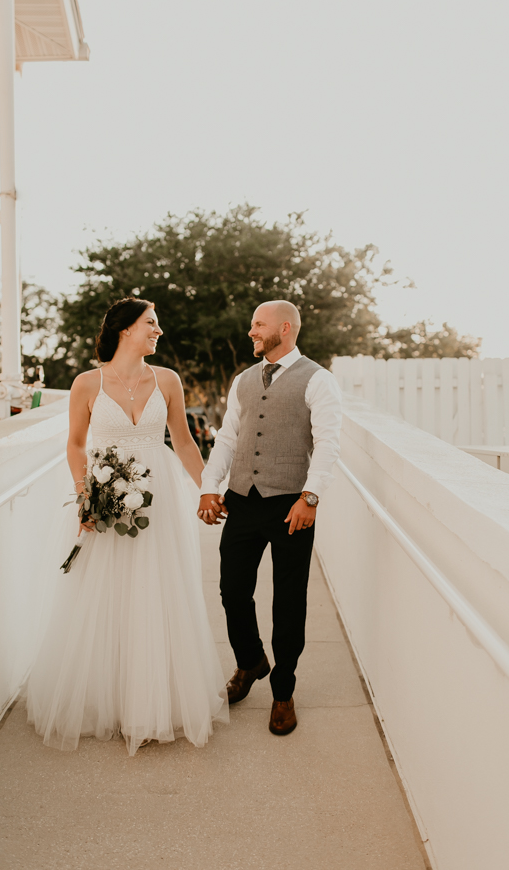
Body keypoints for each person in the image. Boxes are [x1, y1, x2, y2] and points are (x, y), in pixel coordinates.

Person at [27, 298, 228, 755]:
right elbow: (76, 445)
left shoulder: (168, 381)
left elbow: (182, 441)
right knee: (107, 594)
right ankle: (109, 700)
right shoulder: (86, 383)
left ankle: (154, 701)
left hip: (160, 500)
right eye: (151, 323)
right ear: (124, 330)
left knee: (158, 591)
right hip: (105, 497)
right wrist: (86, 496)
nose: (158, 330)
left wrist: (209, 489)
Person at [198, 301, 341, 736]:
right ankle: (250, 660)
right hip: (241, 500)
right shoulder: (243, 379)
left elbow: (328, 442)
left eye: (258, 324)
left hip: (291, 506)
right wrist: (209, 484)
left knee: (288, 601)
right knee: (231, 591)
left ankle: (283, 691)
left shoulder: (318, 379)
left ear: (285, 327)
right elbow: (227, 436)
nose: (251, 331)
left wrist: (310, 498)